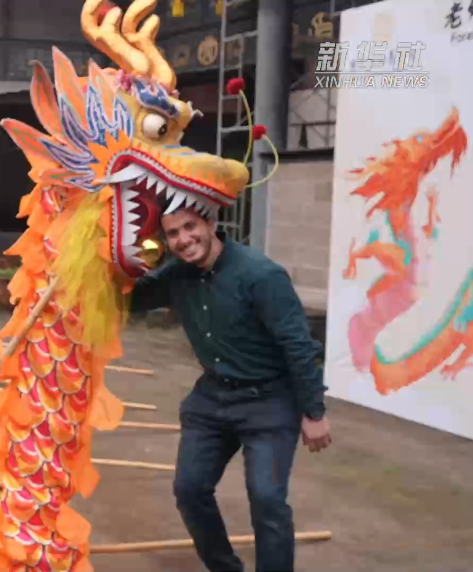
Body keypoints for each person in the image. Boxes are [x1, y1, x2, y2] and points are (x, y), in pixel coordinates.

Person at [130, 205, 332, 572]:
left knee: (267, 499)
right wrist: (111, 263)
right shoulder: (177, 273)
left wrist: (313, 411)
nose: (184, 239)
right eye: (173, 233)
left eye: (190, 226)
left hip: (269, 401)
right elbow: (130, 300)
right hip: (212, 398)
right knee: (189, 490)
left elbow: (298, 345)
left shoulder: (261, 275)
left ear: (210, 224)